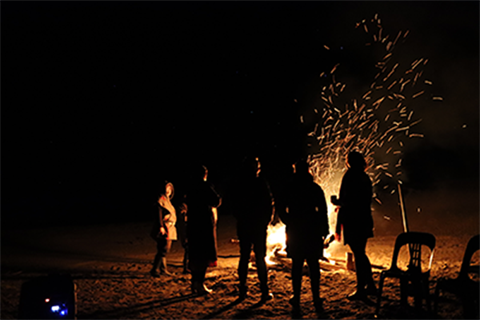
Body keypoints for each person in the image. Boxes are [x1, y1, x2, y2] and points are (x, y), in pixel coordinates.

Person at [280, 160, 329, 312]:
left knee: (297, 265)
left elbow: (281, 208)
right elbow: (322, 210)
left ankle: (297, 297)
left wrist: (289, 221)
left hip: (296, 230)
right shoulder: (314, 188)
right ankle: (316, 297)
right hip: (312, 229)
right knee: (314, 265)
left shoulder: (289, 188)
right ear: (308, 171)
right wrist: (324, 229)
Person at [331, 151, 376, 300]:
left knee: (359, 254)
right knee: (360, 253)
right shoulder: (364, 176)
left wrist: (337, 202)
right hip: (363, 219)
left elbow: (350, 201)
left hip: (354, 220)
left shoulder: (351, 176)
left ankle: (361, 289)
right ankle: (370, 286)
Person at [231, 157, 274, 302]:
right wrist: (265, 221)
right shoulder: (260, 183)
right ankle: (264, 291)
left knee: (244, 257)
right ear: (257, 168)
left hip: (244, 225)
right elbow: (269, 205)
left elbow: (234, 205)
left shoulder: (239, 184)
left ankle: (242, 290)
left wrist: (241, 219)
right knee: (260, 258)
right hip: (258, 226)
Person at [185, 165, 222, 294]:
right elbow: (216, 201)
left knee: (195, 255)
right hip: (204, 225)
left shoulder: (190, 188)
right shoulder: (205, 186)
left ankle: (194, 283)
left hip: (192, 224)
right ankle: (199, 283)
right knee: (204, 255)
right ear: (204, 174)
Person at [150, 181, 177, 277]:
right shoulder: (161, 200)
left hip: (170, 226)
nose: (169, 190)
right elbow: (159, 213)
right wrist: (161, 226)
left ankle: (163, 269)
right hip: (165, 227)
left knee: (162, 248)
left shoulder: (167, 200)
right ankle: (155, 269)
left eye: (170, 188)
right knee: (164, 249)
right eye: (167, 188)